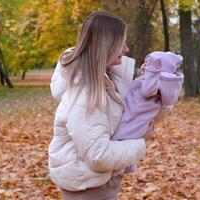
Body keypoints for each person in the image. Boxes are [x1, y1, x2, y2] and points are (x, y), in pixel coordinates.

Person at [48, 11, 157, 200]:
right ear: (106, 45)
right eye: (121, 43)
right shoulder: (86, 93)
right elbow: (99, 155)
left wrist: (148, 83)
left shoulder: (105, 82)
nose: (126, 49)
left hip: (97, 186)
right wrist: (140, 143)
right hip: (88, 191)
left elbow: (130, 114)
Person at [111, 51, 184, 173]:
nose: (145, 66)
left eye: (149, 65)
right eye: (145, 63)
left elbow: (146, 90)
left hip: (134, 120)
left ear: (158, 71)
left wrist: (153, 71)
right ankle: (127, 165)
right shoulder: (153, 82)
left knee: (120, 138)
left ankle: (123, 166)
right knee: (124, 140)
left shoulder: (154, 86)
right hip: (134, 117)